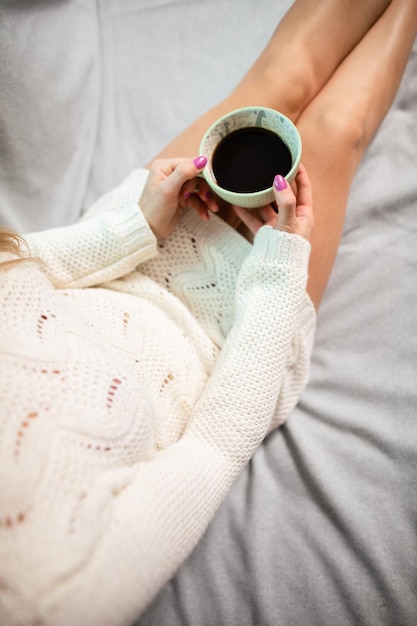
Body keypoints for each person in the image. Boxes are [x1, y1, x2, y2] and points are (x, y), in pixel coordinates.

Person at [0, 1, 416, 625]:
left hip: (122, 249)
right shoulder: (53, 598)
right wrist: (280, 265)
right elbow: (216, 450)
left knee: (280, 79)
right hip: (230, 336)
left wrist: (139, 222)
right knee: (335, 129)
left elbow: (18, 264)